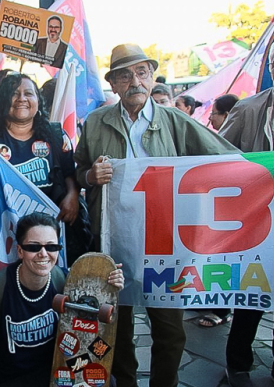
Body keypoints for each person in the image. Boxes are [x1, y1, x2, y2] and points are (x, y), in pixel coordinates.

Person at [74, 43, 239, 387]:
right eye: (124, 75)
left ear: (151, 77)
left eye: (141, 72)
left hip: (164, 245)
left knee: (170, 330)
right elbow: (78, 169)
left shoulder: (176, 121)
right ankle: (127, 382)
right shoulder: (95, 123)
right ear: (114, 84)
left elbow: (224, 160)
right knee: (117, 325)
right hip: (114, 242)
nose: (134, 81)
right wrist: (91, 177)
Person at [0, 212, 124, 386]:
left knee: (107, 381)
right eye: (34, 247)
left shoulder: (64, 281)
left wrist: (108, 286)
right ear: (20, 251)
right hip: (11, 378)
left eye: (51, 247)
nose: (43, 254)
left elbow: (94, 321)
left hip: (55, 371)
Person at [219, 33, 274, 387]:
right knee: (250, 296)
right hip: (258, 224)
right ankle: (237, 364)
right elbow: (216, 158)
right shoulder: (248, 109)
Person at [0, 73, 80, 241]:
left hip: (51, 234)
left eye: (28, 93)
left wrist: (73, 196)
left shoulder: (56, 136)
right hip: (1, 237)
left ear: (38, 100)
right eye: (14, 93)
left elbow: (70, 173)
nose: (21, 98)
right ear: (2, 100)